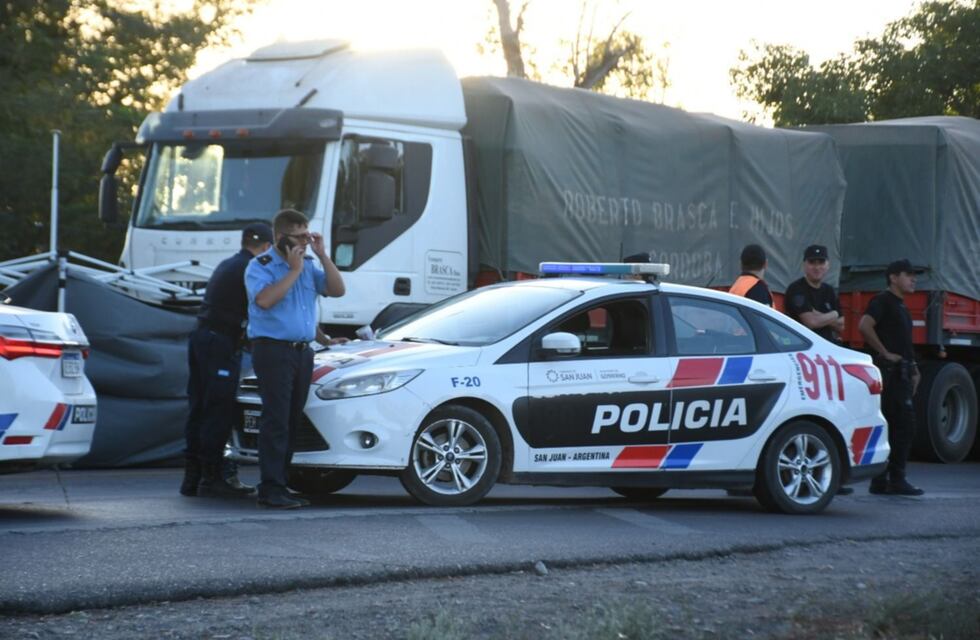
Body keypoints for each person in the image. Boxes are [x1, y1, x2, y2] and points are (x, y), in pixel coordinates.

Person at [245, 209, 345, 509]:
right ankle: (270, 486)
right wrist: (291, 270)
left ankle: (281, 482)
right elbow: (264, 301)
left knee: (291, 419)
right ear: (280, 237)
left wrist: (323, 255)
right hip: (273, 350)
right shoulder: (261, 265)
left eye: (308, 235)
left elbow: (337, 290)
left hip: (302, 352)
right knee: (275, 419)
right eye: (299, 236)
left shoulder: (309, 263)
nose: (305, 241)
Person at [181, 223, 274, 498]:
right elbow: (263, 306)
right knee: (217, 410)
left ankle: (192, 478)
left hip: (202, 338)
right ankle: (212, 476)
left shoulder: (230, 264)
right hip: (220, 342)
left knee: (198, 406)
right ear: (267, 247)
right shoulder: (250, 269)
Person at [858, 258, 924, 496]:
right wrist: (884, 353)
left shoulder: (901, 306)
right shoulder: (883, 301)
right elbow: (865, 325)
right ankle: (894, 478)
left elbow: (904, 341)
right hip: (890, 374)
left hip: (903, 373)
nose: (913, 279)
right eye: (908, 274)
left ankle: (883, 480)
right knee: (902, 425)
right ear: (893, 277)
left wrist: (913, 367)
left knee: (898, 426)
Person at [785, 244, 845, 341]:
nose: (817, 267)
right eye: (812, 262)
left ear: (828, 265)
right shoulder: (796, 289)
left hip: (827, 347)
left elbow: (841, 325)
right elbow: (811, 322)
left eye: (821, 262)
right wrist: (834, 314)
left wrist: (818, 314)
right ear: (804, 265)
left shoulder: (829, 290)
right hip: (802, 348)